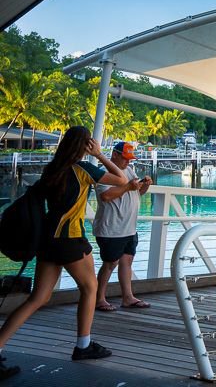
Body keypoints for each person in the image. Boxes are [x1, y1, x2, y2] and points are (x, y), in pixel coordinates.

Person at [0, 126, 130, 379]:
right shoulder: (82, 170)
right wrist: (101, 155)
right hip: (70, 240)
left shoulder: (52, 170)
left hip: (47, 241)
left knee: (38, 298)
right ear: (85, 145)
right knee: (91, 288)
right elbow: (122, 179)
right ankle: (83, 345)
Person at [94, 141, 152, 312]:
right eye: (125, 158)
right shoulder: (104, 172)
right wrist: (127, 186)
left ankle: (128, 297)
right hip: (112, 228)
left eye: (130, 159)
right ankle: (99, 298)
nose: (128, 162)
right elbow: (105, 196)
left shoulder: (128, 170)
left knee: (127, 261)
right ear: (115, 155)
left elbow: (135, 192)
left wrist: (144, 186)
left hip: (129, 227)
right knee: (110, 263)